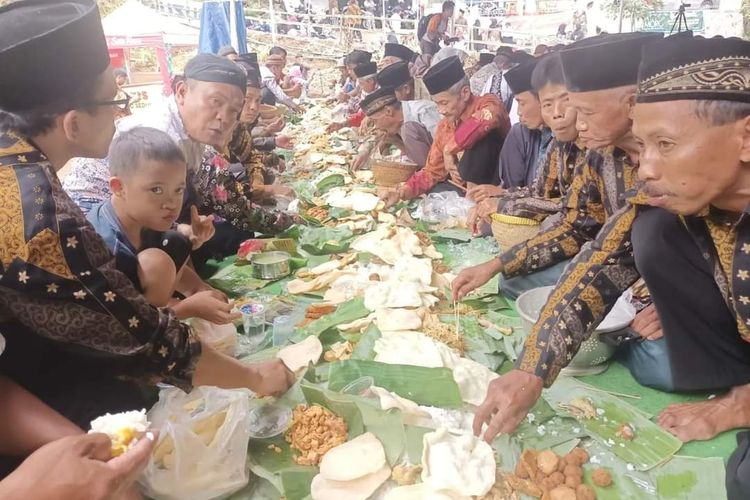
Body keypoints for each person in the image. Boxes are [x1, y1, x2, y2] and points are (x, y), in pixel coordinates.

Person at [0, 0, 293, 471]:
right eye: (114, 102)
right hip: (27, 372)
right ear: (73, 123)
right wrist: (256, 379)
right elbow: (141, 338)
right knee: (116, 398)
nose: (122, 115)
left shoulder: (17, 161)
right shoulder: (37, 215)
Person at [466, 36, 750, 497]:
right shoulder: (667, 194)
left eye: (665, 143)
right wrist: (530, 370)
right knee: (651, 230)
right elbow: (598, 258)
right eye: (643, 146)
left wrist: (737, 407)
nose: (647, 168)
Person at [452, 32, 661, 301]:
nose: (566, 117)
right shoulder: (600, 157)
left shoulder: (671, 164)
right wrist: (497, 264)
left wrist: (657, 301)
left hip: (656, 286)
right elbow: (575, 225)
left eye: (584, 110)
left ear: (632, 103)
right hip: (608, 262)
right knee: (511, 282)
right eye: (549, 104)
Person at [86, 127, 238, 327]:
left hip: (139, 304)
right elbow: (117, 326)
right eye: (156, 190)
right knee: (157, 262)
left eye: (178, 189)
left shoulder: (141, 215)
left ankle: (167, 313)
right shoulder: (105, 244)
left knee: (177, 241)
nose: (172, 203)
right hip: (117, 329)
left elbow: (174, 244)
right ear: (119, 187)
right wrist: (188, 308)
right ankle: (164, 326)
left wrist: (200, 289)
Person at [379, 56, 510, 206]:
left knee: (484, 136)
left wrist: (450, 149)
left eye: (444, 103)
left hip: (495, 187)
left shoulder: (488, 103)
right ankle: (467, 201)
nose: (441, 111)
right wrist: (401, 192)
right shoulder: (446, 125)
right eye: (437, 104)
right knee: (435, 190)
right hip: (463, 188)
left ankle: (474, 201)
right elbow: (431, 171)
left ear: (465, 93)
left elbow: (490, 115)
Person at [476, 52, 585, 228]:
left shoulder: (593, 146)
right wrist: (502, 195)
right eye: (548, 104)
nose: (557, 113)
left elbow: (573, 205)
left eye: (522, 102)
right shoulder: (559, 143)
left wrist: (504, 202)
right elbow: (542, 191)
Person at [468, 57, 551, 203]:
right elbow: (511, 187)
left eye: (522, 103)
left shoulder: (566, 141)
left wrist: (504, 194)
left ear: (543, 100)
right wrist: (503, 193)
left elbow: (556, 199)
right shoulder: (521, 133)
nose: (518, 112)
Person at [360, 87, 442, 168]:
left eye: (375, 121)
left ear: (388, 111)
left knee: (408, 129)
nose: (377, 126)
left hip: (443, 168)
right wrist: (366, 151)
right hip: (431, 166)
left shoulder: (423, 112)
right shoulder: (397, 123)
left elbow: (443, 145)